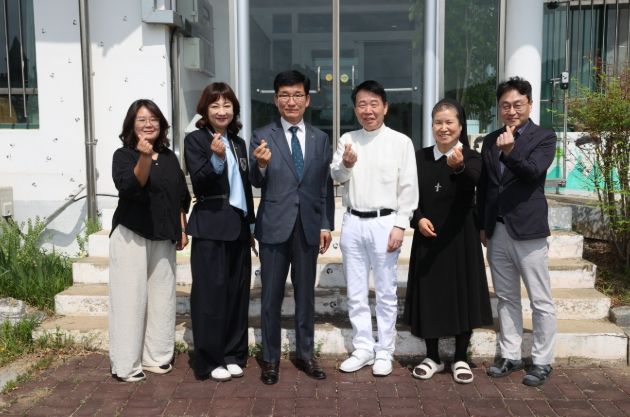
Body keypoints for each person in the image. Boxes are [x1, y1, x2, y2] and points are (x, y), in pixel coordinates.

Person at [249, 70, 335, 385]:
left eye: (297, 95)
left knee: (305, 296)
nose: (291, 101)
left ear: (307, 99)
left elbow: (324, 186)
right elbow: (255, 180)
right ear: (276, 100)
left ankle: (306, 354)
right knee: (271, 296)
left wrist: (326, 224)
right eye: (284, 95)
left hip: (308, 227)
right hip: (274, 226)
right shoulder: (262, 135)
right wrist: (260, 164)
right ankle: (270, 359)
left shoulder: (320, 138)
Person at [331, 80, 418, 377]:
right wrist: (346, 164)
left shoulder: (400, 142)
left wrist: (400, 224)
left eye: (373, 104)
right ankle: (363, 348)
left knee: (385, 291)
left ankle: (384, 351)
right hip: (353, 221)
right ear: (355, 109)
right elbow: (336, 177)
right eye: (361, 105)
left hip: (385, 222)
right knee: (356, 291)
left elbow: (408, 187)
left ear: (385, 107)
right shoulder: (348, 139)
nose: (367, 110)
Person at [403, 98, 493, 384]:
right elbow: (407, 195)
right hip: (428, 237)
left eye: (449, 122)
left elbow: (472, 182)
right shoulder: (419, 158)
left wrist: (459, 167)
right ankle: (432, 357)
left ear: (460, 126)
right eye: (438, 122)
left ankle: (461, 357)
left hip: (460, 236)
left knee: (462, 294)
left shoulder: (471, 156)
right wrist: (417, 219)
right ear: (431, 126)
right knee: (429, 294)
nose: (443, 128)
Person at [478, 76, 557, 387]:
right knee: (506, 297)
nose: (511, 111)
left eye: (517, 105)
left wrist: (510, 153)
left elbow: (533, 173)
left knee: (540, 300)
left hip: (528, 231)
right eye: (505, 106)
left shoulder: (544, 137)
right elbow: (485, 186)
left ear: (530, 105)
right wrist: (482, 225)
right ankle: (510, 355)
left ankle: (542, 360)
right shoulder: (491, 139)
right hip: (497, 231)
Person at [109, 99, 190, 382]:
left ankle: (156, 357)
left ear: (161, 124)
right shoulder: (124, 155)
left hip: (164, 234)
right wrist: (144, 157)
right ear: (131, 125)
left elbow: (180, 196)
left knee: (162, 299)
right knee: (130, 299)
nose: (148, 124)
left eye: (153, 119)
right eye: (141, 119)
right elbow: (131, 187)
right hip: (132, 233)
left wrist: (181, 228)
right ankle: (126, 365)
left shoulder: (169, 157)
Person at [184, 82, 256, 382]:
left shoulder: (238, 142)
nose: (222, 111)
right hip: (211, 224)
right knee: (210, 295)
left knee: (237, 293)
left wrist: (251, 225)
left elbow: (245, 186)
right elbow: (199, 182)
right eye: (215, 105)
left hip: (238, 225)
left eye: (227, 105)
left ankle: (233, 354)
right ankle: (210, 359)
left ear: (234, 109)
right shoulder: (195, 140)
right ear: (205, 110)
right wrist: (215, 159)